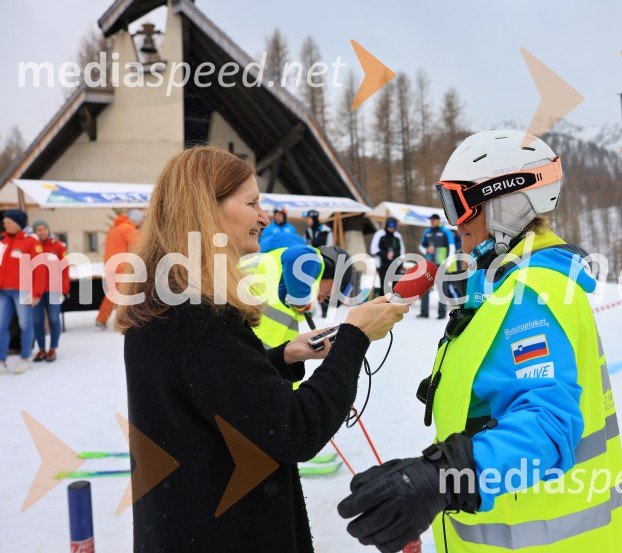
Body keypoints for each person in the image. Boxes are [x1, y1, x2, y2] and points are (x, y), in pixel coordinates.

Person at [338, 130, 622, 552]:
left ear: (508, 204)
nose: (454, 222)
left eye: (460, 205)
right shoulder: (499, 286)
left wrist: (440, 480)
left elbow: (549, 424)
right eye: (448, 205)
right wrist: (432, 499)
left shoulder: (532, 293)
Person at [117, 146, 409, 553]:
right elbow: (293, 429)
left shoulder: (165, 302)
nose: (264, 217)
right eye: (252, 202)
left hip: (184, 525)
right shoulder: (200, 319)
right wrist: (355, 337)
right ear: (207, 210)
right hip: (226, 532)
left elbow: (208, 389)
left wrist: (283, 357)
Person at [250, 244, 353, 349]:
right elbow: (295, 256)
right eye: (329, 293)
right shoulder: (314, 260)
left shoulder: (294, 285)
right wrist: (300, 302)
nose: (321, 299)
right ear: (332, 271)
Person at [0, 209, 46, 375]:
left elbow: (40, 269)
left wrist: (36, 293)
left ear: (18, 223)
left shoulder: (31, 242)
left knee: (25, 324)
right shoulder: (2, 241)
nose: (5, 225)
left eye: (8, 222)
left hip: (23, 290)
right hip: (3, 291)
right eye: (4, 222)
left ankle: (25, 358)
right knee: (1, 325)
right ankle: (2, 361)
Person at [96, 209, 143, 329]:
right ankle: (123, 321)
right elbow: (138, 247)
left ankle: (102, 319)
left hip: (111, 265)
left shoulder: (115, 228)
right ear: (136, 220)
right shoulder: (128, 228)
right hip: (121, 266)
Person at [31, 220, 69, 362]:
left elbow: (65, 269)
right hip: (36, 291)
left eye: (44, 229)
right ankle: (41, 349)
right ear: (35, 232)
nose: (42, 232)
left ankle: (52, 348)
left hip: (54, 289)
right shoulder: (32, 247)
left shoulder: (58, 246)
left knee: (53, 319)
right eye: (39, 229)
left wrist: (64, 289)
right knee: (37, 320)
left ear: (48, 230)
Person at [417, 214, 455, 319]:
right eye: (431, 220)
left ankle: (441, 314)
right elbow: (421, 246)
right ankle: (424, 312)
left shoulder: (445, 232)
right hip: (429, 264)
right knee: (424, 287)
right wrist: (426, 250)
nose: (432, 222)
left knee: (442, 289)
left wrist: (447, 263)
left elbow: (452, 248)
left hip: (442, 264)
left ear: (438, 220)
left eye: (434, 220)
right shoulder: (427, 232)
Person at [370, 217, 405, 295]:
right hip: (383, 265)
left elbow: (401, 251)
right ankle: (383, 305)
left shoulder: (397, 236)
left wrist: (401, 263)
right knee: (384, 285)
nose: (391, 228)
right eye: (390, 225)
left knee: (394, 286)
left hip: (395, 265)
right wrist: (386, 255)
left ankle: (392, 305)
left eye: (393, 225)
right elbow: (373, 249)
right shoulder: (380, 234)